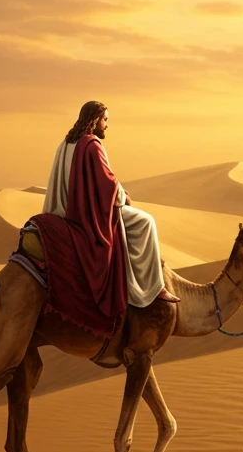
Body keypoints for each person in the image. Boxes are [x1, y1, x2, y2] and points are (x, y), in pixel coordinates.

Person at [43, 100, 180, 305]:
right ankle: (153, 288)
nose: (107, 125)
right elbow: (106, 182)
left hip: (65, 211)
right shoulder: (91, 145)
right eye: (105, 120)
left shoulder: (64, 144)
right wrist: (122, 196)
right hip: (89, 215)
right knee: (146, 222)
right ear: (96, 119)